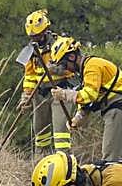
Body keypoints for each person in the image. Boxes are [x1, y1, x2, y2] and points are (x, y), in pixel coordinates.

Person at [47, 37, 122, 160]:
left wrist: (64, 94)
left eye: (64, 64)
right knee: (118, 158)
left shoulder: (92, 66)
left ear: (72, 57)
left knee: (110, 159)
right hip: (114, 109)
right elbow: (90, 101)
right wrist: (78, 118)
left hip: (117, 109)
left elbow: (89, 95)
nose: (65, 69)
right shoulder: (86, 68)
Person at [16, 9, 78, 156]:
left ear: (46, 30)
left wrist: (56, 70)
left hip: (60, 92)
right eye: (32, 36)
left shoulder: (61, 45)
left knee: (60, 132)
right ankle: (41, 160)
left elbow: (72, 70)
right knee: (40, 132)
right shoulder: (31, 50)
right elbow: (30, 75)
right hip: (40, 94)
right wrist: (26, 96)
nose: (35, 39)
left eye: (37, 35)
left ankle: (64, 163)